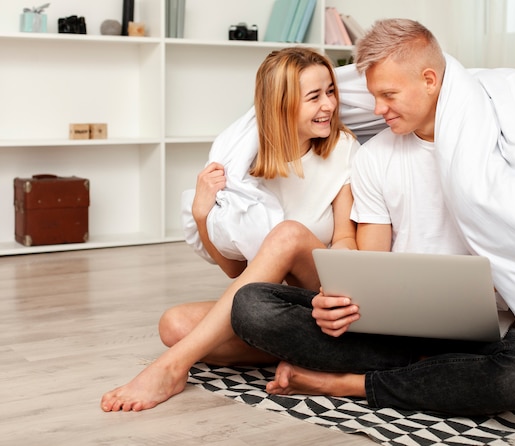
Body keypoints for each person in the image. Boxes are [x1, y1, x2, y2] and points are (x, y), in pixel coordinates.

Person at [229, 19, 515, 416]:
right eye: (372, 96)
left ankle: (349, 383)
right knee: (251, 305)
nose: (377, 110)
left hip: (480, 334)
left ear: (430, 80)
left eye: (388, 95)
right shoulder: (374, 159)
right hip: (390, 333)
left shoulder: (502, 147)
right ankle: (430, 376)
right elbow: (372, 267)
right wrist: (335, 302)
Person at [100, 47, 360, 412]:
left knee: (288, 233)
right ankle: (311, 354)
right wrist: (203, 215)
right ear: (280, 103)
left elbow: (348, 238)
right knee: (173, 325)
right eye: (314, 97)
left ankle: (172, 367)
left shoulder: (343, 149)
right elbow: (238, 272)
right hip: (279, 307)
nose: (329, 105)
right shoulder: (246, 170)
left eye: (330, 91)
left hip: (325, 293)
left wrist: (340, 275)